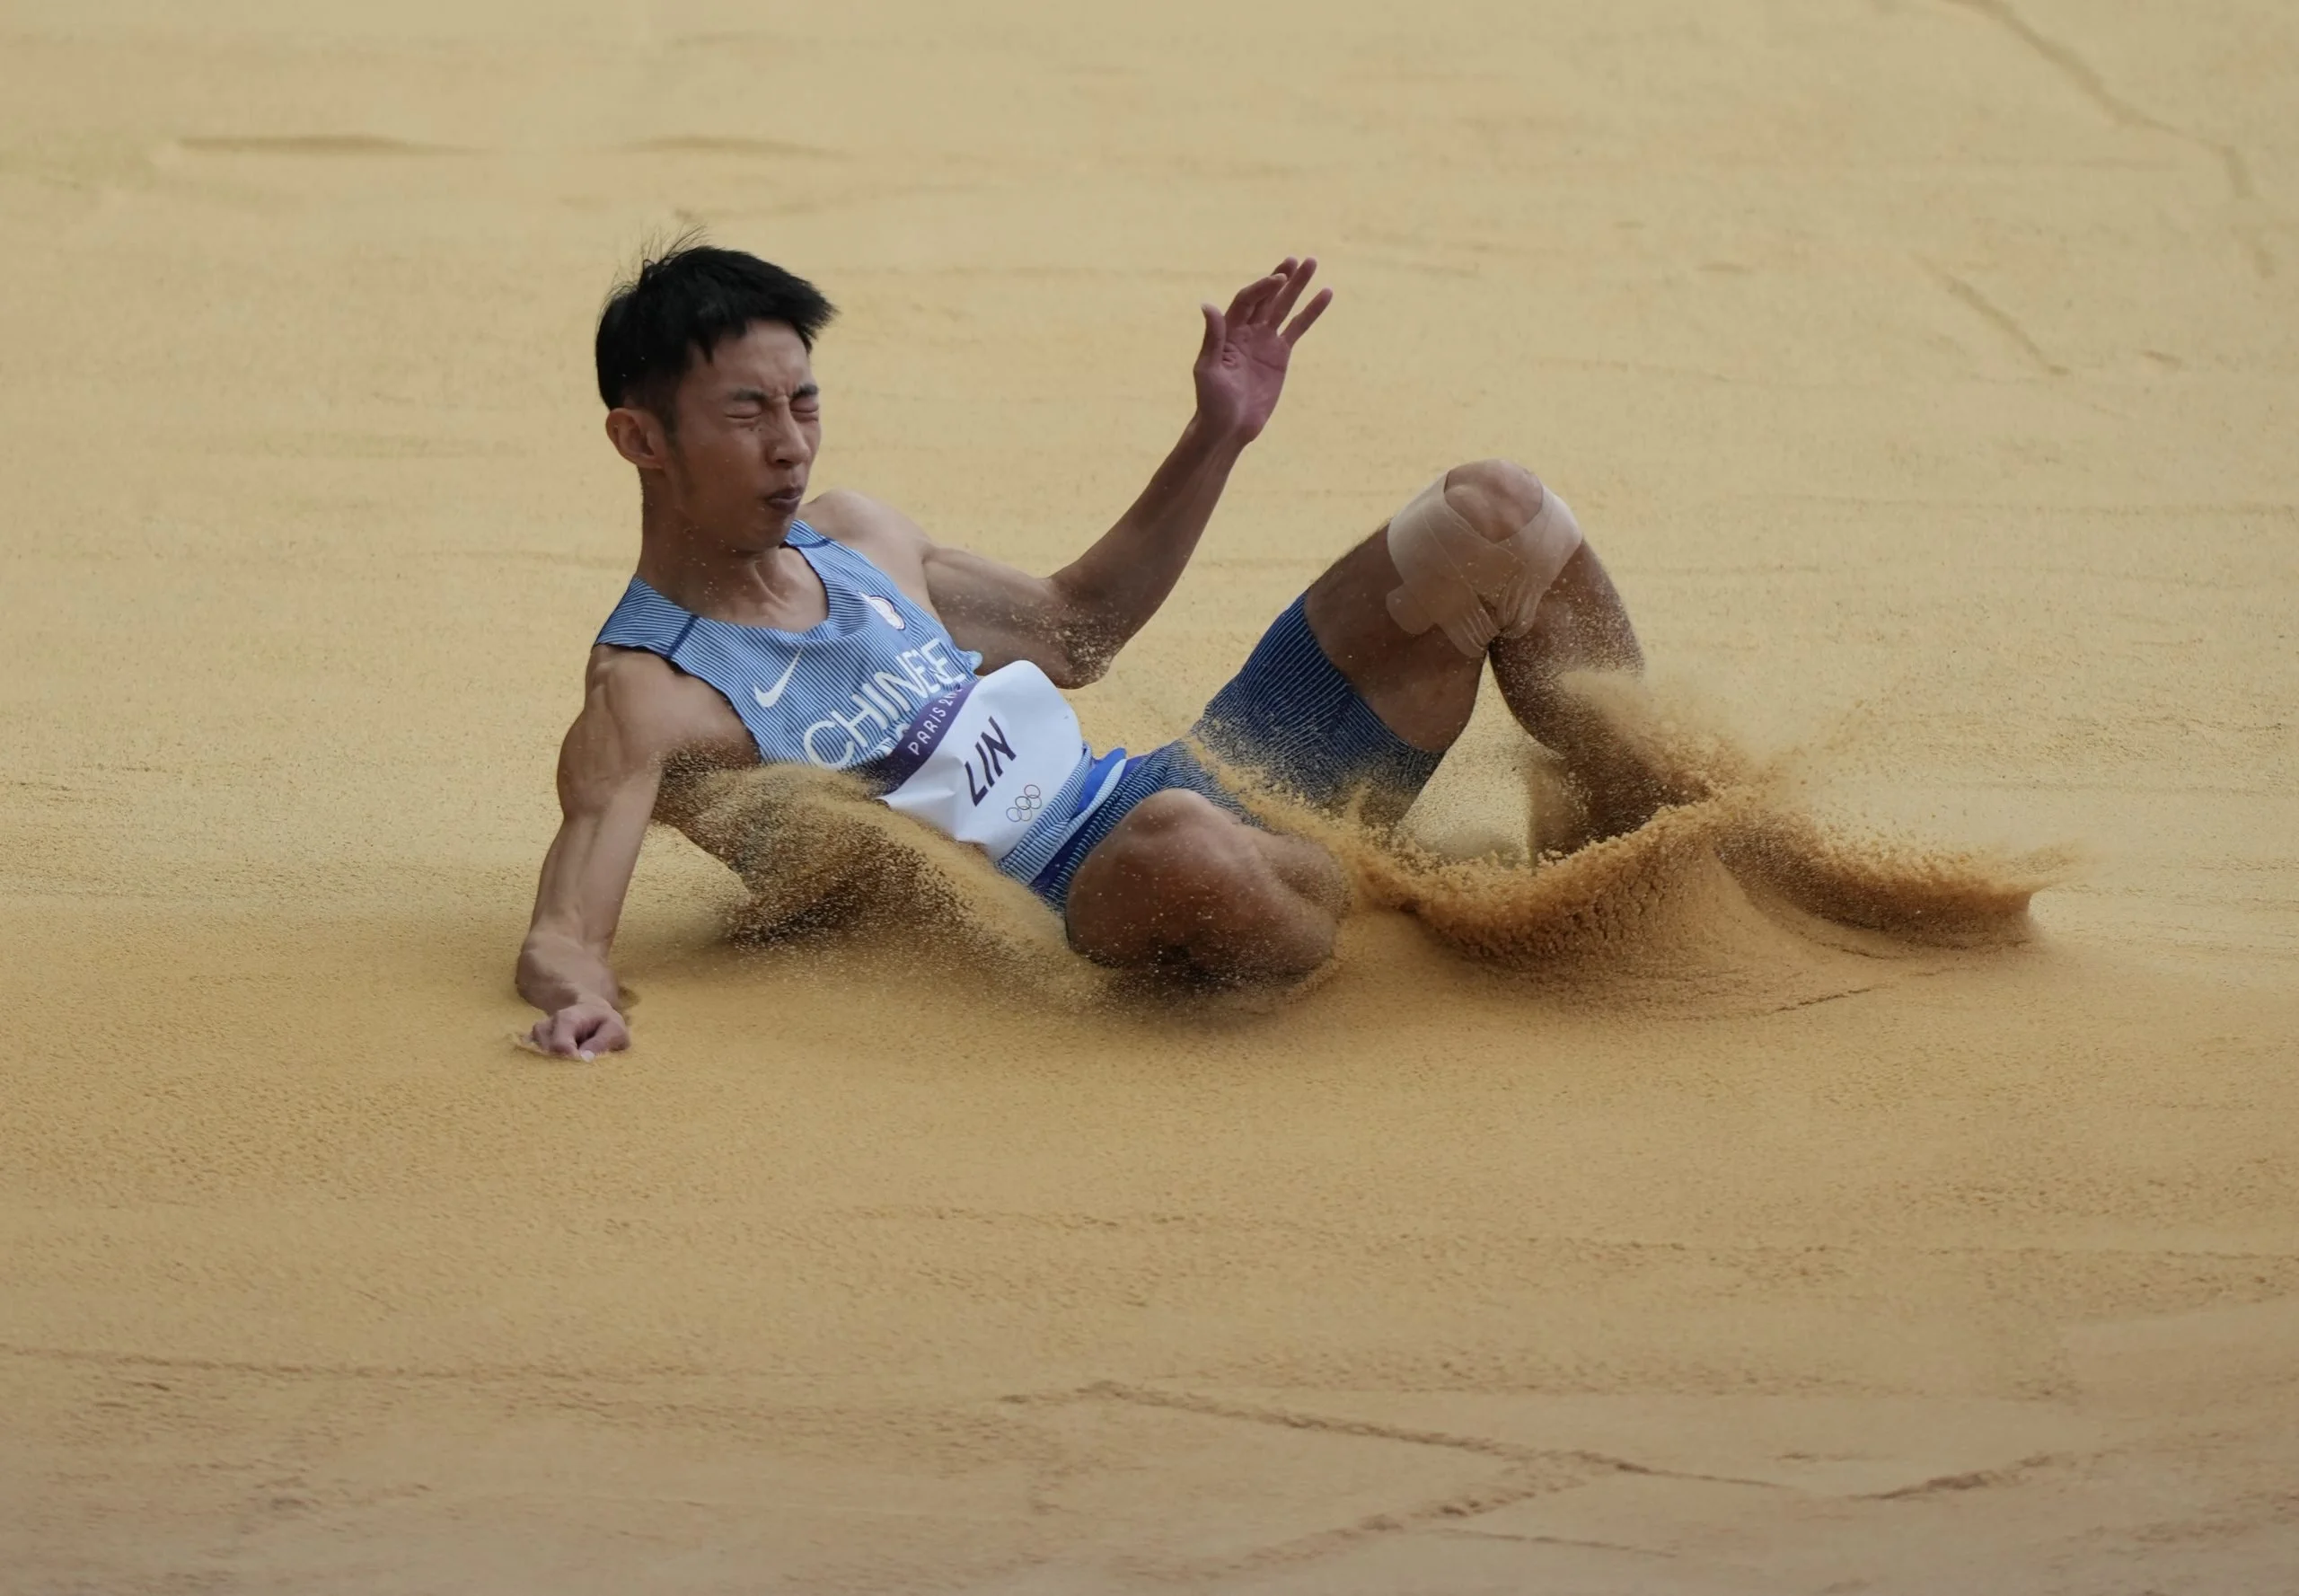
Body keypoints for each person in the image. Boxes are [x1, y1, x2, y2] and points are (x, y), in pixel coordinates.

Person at [520, 242, 1654, 1058]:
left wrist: (1215, 434)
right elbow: (566, 932)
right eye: (746, 414)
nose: (789, 446)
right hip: (1080, 916)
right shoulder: (648, 695)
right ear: (640, 438)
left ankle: (1650, 862)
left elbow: (1077, 627)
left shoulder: (863, 540)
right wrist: (580, 1003)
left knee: (1495, 515)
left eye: (803, 404)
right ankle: (1382, 927)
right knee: (1181, 848)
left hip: (1175, 793)